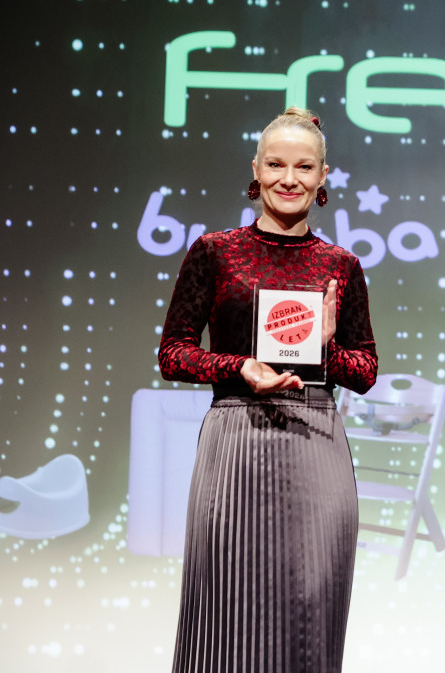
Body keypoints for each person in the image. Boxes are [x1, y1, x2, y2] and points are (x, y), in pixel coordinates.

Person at [159, 107, 377, 673]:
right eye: (276, 164)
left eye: (304, 167)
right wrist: (240, 368)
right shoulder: (214, 251)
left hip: (316, 441)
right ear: (255, 170)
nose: (289, 178)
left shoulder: (342, 265)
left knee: (312, 606)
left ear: (323, 176)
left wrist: (325, 347)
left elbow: (364, 370)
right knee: (226, 607)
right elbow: (173, 353)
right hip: (236, 437)